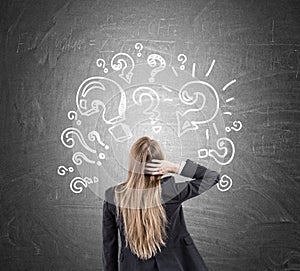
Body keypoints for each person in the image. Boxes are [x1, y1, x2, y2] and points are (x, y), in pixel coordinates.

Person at [102, 136, 221, 271]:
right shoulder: (171, 191)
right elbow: (212, 177)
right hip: (174, 265)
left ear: (132, 164)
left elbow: (109, 246)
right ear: (160, 163)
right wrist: (176, 168)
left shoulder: (113, 196)